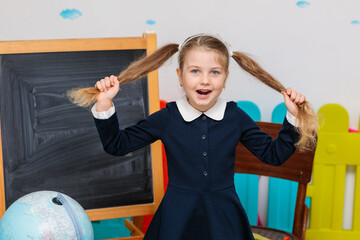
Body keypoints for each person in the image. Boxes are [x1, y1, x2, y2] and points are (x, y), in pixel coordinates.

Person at [68, 34, 318, 240]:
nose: (205, 80)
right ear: (180, 76)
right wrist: (104, 104)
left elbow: (273, 155)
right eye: (195, 71)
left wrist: (293, 117)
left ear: (226, 78)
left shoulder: (236, 117)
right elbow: (117, 145)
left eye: (215, 72)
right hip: (177, 219)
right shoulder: (166, 118)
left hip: (225, 220)